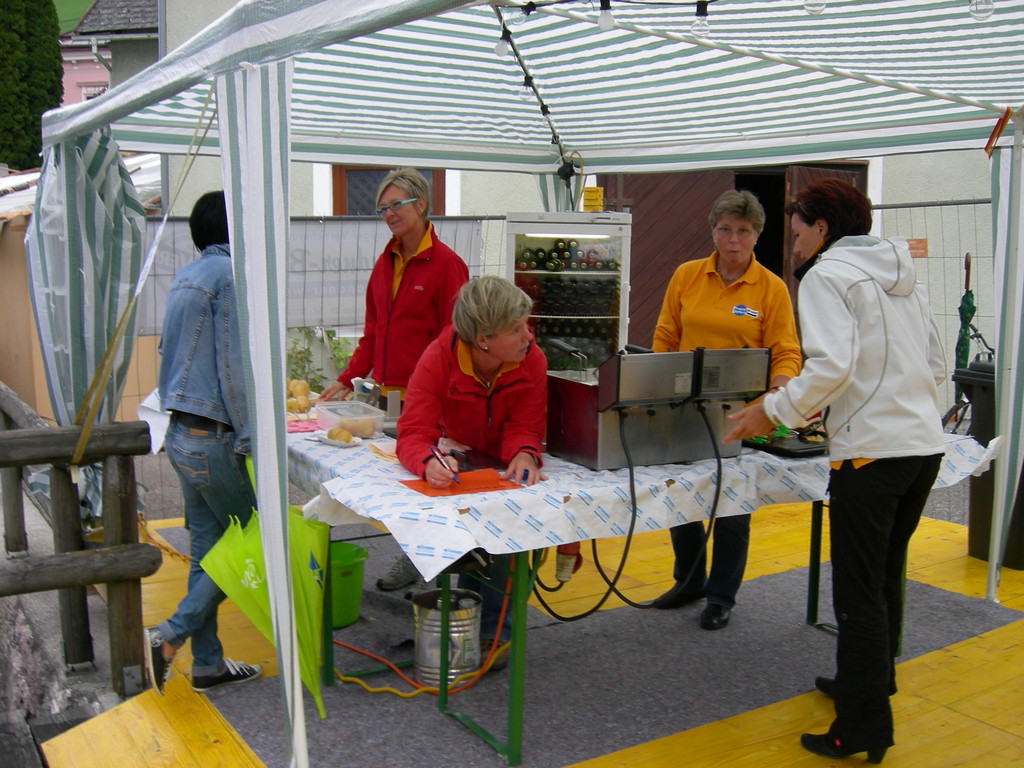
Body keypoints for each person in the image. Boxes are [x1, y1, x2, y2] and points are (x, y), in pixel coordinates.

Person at [723, 178, 946, 764]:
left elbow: (830, 369)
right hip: (922, 448)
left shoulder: (826, 276)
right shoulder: (902, 276)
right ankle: (867, 684)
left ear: (822, 229)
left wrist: (766, 413)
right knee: (882, 577)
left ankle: (862, 729)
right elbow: (937, 365)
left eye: (795, 234)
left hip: (872, 456)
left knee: (858, 593)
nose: (791, 246)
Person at [650, 189, 802, 630]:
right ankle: (690, 580)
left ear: (756, 236)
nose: (732, 239)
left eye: (742, 231)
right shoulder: (686, 275)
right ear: (713, 231)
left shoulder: (771, 287)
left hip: (743, 413)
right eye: (724, 229)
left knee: (732, 504)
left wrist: (777, 394)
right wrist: (659, 384)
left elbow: (786, 351)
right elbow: (665, 333)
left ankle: (722, 595)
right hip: (685, 407)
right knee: (683, 496)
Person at [320, 168, 468, 592]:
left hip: (429, 399)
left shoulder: (447, 265)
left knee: (427, 481)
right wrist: (348, 377)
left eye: (395, 205)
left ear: (421, 205)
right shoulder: (384, 264)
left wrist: (438, 394)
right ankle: (418, 556)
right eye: (382, 208)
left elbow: (455, 340)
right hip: (386, 396)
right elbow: (373, 334)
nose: (387, 214)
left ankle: (427, 563)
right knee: (400, 481)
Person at [395, 275, 547, 667]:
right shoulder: (438, 357)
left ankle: (495, 635)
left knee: (507, 536)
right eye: (514, 330)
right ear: (483, 339)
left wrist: (527, 452)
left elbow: (526, 424)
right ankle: (464, 625)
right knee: (469, 542)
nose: (526, 335)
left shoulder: (532, 357)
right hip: (461, 452)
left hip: (502, 460)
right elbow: (413, 431)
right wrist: (428, 461)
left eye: (525, 324)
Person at [145, 191, 262, 695]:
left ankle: (209, 664)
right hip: (213, 436)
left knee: (207, 549)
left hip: (179, 431)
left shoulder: (186, 277)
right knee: (253, 540)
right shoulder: (229, 277)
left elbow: (168, 351)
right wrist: (252, 435)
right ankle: (172, 633)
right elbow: (234, 369)